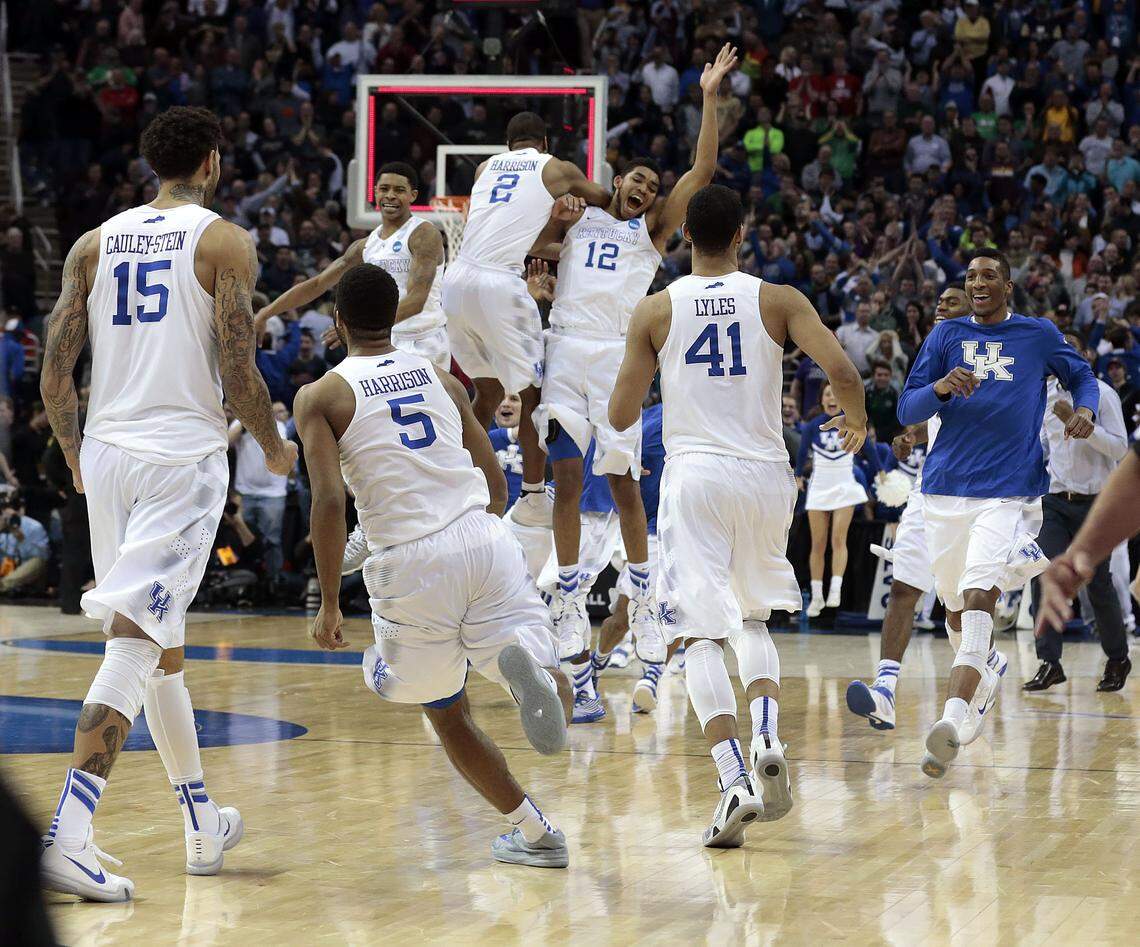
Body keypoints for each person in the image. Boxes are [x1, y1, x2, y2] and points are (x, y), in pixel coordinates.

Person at [37, 106, 296, 901]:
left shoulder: (93, 242)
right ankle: (67, 835)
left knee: (163, 644)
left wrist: (78, 454)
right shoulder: (223, 240)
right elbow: (237, 365)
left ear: (153, 165)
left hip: (111, 452)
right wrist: (275, 446)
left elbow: (56, 366)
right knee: (138, 639)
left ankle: (200, 819)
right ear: (214, 162)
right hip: (180, 456)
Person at [608, 184, 867, 848]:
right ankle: (770, 734)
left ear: (686, 235)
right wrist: (858, 418)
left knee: (697, 636)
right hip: (765, 475)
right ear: (744, 234)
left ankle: (733, 779)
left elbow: (620, 413)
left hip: (696, 474)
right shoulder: (778, 299)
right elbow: (842, 369)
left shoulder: (656, 309)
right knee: (752, 618)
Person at [294, 263, 573, 869]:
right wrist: (488, 523)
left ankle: (536, 832)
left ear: (337, 323)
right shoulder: (441, 380)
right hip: (480, 532)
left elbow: (328, 501)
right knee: (514, 647)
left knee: (441, 708)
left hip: (409, 558)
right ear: (395, 314)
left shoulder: (322, 396)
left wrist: (330, 601)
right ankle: (528, 668)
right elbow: (491, 473)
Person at [529, 44, 738, 709]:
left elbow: (702, 169)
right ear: (615, 181)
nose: (644, 188)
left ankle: (643, 593)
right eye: (637, 180)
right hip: (566, 350)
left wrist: (707, 97)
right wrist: (543, 228)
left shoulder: (651, 234)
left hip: (618, 358)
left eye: (652, 185)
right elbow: (538, 226)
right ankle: (567, 595)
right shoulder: (579, 213)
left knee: (621, 484)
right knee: (566, 473)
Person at [898, 249, 1099, 778]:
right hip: (944, 490)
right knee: (953, 611)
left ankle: (954, 711)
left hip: (1007, 490)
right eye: (971, 276)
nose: (979, 282)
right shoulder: (943, 337)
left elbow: (1083, 377)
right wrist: (940, 388)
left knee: (979, 593)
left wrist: (1085, 409)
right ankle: (984, 678)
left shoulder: (1036, 334)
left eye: (989, 276)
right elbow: (906, 409)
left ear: (1008, 286)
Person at [439, 110, 612, 531]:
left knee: (485, 391)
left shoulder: (484, 168)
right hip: (499, 283)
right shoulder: (558, 168)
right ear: (546, 142)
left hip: (455, 279)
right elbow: (610, 203)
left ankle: (450, 483)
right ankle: (534, 495)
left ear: (507, 144)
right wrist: (571, 206)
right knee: (532, 395)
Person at [847, 286, 980, 731]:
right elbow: (933, 421)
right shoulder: (936, 358)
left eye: (952, 302)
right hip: (929, 488)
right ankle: (885, 690)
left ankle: (975, 680)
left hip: (979, 492)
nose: (941, 306)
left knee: (959, 603)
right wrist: (913, 437)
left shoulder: (990, 359)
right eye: (939, 302)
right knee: (904, 586)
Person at [255, 162, 450, 370]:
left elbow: (416, 301)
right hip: (383, 342)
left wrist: (359, 328)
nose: (390, 195)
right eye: (384, 189)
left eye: (399, 190)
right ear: (375, 192)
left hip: (422, 341)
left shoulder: (423, 233)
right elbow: (318, 283)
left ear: (413, 195)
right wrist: (266, 312)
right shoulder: (366, 246)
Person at [1025, 334, 1131, 693]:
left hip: (1094, 503)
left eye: (1071, 350)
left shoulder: (1103, 394)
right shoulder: (1047, 398)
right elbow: (1041, 447)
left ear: (1084, 356)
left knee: (1098, 586)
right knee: (1043, 573)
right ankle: (1049, 662)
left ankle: (1118, 658)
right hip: (1055, 500)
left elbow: (1119, 448)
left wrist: (1081, 424)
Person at [1035, 445, 1140, 637]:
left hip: (1094, 496)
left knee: (1109, 580)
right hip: (1057, 499)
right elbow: (1136, 475)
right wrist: (1079, 554)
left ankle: (1121, 640)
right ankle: (1050, 661)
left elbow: (1122, 452)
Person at [796, 383, 882, 617]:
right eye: (827, 394)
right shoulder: (812, 426)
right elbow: (802, 453)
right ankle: (816, 595)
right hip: (820, 485)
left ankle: (835, 588)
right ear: (822, 400)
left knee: (838, 539)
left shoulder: (852, 423)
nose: (831, 398)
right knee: (818, 543)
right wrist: (796, 477)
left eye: (835, 394)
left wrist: (881, 473)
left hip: (844, 484)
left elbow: (871, 450)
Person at [0, 494, 50, 596]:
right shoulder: (2, 524)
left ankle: (3, 585)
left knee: (38, 561)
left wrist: (22, 540)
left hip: (28, 565)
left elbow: (43, 555)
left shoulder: (34, 526)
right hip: (7, 564)